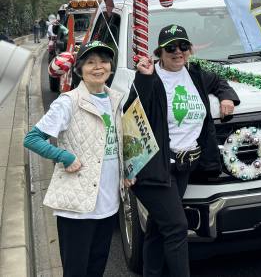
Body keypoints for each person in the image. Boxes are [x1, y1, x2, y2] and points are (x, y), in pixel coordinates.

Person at [126, 24, 239, 277]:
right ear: (160, 51)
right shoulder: (150, 76)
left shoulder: (195, 73)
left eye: (183, 46)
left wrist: (226, 97)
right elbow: (132, 112)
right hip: (156, 167)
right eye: (171, 48)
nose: (178, 52)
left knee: (158, 226)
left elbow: (219, 80)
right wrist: (142, 78)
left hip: (185, 167)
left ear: (190, 49)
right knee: (177, 227)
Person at [23, 41, 129, 277]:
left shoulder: (115, 100)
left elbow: (115, 145)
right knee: (76, 271)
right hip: (77, 207)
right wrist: (64, 156)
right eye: (90, 62)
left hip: (108, 203)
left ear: (111, 67)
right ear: (79, 69)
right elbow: (32, 138)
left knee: (96, 268)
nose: (98, 67)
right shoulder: (68, 102)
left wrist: (126, 173)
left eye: (103, 61)